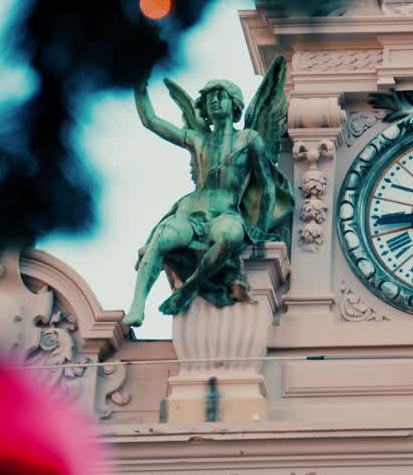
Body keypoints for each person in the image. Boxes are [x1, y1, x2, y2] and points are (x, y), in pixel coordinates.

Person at [124, 57, 292, 326]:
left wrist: (260, 225)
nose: (215, 101)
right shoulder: (197, 139)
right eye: (210, 97)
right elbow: (152, 121)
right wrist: (140, 87)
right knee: (163, 238)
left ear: (234, 104)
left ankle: (190, 287)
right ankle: (137, 306)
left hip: (226, 213)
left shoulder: (248, 139)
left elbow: (267, 184)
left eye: (221, 96)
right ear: (203, 107)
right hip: (191, 212)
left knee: (228, 236)